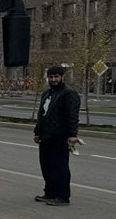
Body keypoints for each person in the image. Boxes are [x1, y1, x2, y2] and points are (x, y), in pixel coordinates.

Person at [33, 66, 81, 206]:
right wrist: (37, 132)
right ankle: (50, 192)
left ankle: (62, 196)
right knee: (46, 166)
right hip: (46, 136)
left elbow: (72, 115)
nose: (53, 79)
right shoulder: (47, 93)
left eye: (56, 77)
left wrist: (72, 134)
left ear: (62, 77)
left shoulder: (68, 93)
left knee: (59, 167)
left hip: (60, 136)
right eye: (51, 77)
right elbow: (42, 115)